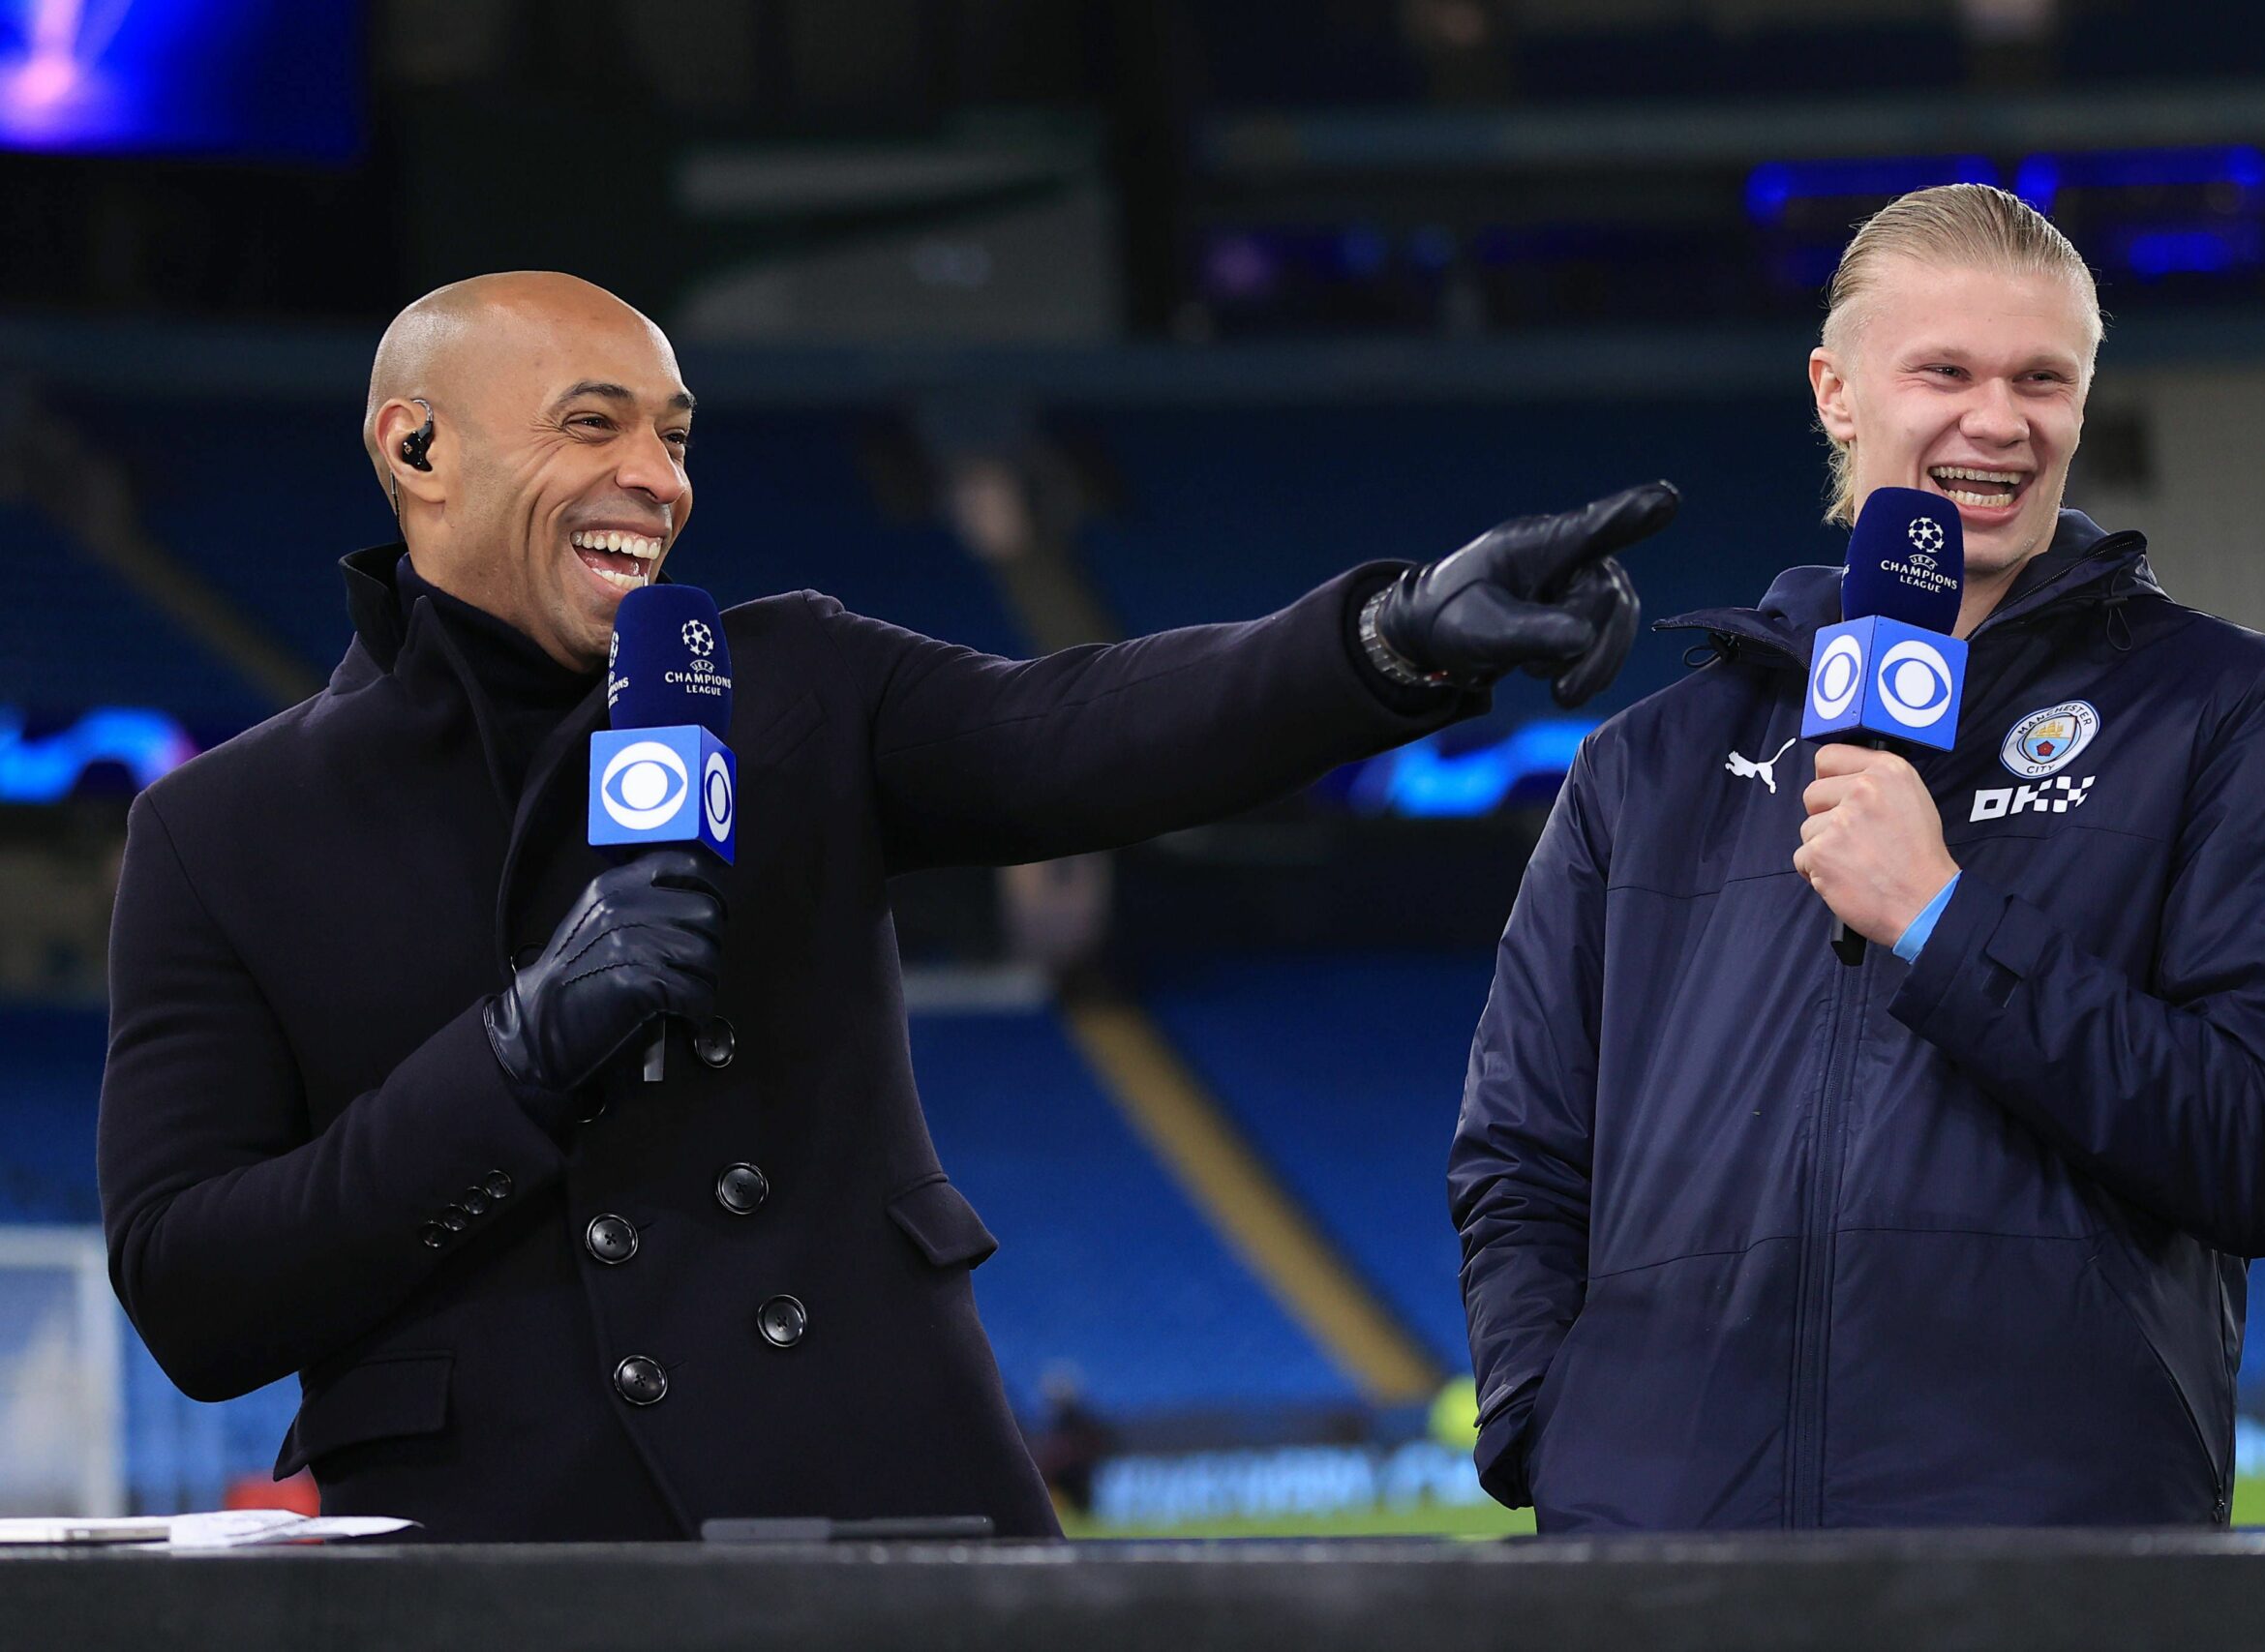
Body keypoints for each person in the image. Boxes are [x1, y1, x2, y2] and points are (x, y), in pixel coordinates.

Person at [98, 272, 1676, 1541]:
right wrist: (510, 1063)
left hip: (881, 1511)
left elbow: (1085, 728)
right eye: (596, 425)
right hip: (504, 1561)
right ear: (416, 449)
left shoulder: (794, 688)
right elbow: (194, 1289)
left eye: (676, 434)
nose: (656, 480)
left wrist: (1394, 643)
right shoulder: (222, 831)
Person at [1449, 185, 2265, 1530]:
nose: (1997, 421)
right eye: (1945, 370)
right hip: (1663, 1556)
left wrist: (1942, 919)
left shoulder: (2228, 711)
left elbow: (2260, 1151)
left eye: (2041, 379)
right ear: (1836, 392)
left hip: (2048, 1558)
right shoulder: (1645, 764)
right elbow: (1521, 1153)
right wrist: (1556, 1428)